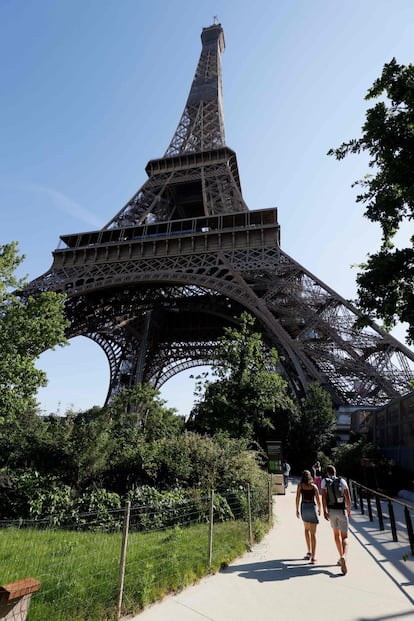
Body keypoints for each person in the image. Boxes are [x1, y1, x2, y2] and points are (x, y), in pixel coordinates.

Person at [321, 464, 352, 575]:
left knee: (336, 535)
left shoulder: (324, 481)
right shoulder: (342, 481)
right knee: (345, 537)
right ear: (335, 472)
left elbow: (323, 497)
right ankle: (344, 556)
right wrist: (349, 510)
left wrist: (324, 510)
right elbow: (347, 496)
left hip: (331, 511)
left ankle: (340, 558)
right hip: (341, 510)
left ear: (327, 473)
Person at [295, 470, 321, 563]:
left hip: (304, 507)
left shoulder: (300, 486)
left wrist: (297, 509)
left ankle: (309, 551)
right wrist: (319, 508)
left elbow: (298, 497)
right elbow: (318, 498)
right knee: (313, 533)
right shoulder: (314, 486)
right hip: (312, 507)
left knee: (306, 530)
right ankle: (313, 557)